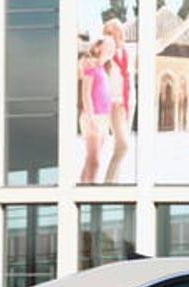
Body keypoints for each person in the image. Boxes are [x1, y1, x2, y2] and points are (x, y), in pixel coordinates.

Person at [102, 20, 135, 183]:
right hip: (114, 104)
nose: (116, 34)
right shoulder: (106, 55)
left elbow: (160, 44)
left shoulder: (130, 51)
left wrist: (185, 25)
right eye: (111, 33)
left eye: (118, 30)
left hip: (129, 104)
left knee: (119, 147)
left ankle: (114, 184)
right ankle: (108, 184)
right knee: (123, 146)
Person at [79, 37, 114, 184]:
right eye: (109, 46)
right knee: (95, 162)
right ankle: (88, 196)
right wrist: (91, 118)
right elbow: (86, 94)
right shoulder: (91, 66)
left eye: (113, 47)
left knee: (90, 161)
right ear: (98, 48)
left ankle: (81, 192)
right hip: (92, 117)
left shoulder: (104, 69)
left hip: (103, 118)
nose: (112, 48)